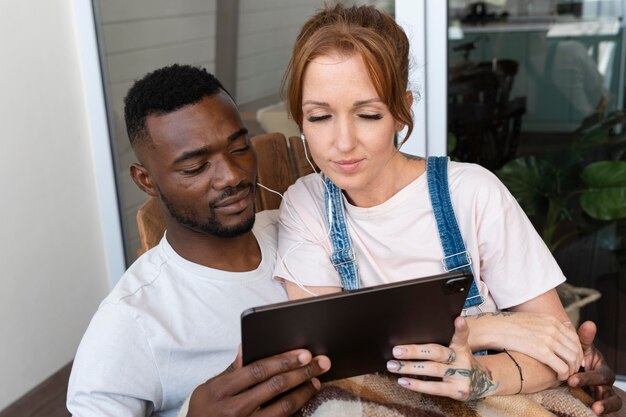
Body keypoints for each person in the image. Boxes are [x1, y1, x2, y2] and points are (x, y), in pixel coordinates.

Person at [274, 2, 622, 413]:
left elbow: (558, 349)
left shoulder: (471, 193)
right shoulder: (306, 203)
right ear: (299, 118)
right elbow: (328, 351)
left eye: (368, 114)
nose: (343, 142)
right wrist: (485, 328)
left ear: (402, 111)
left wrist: (476, 376)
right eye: (319, 117)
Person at [66, 64, 330, 417]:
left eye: (239, 148)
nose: (232, 176)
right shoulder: (132, 323)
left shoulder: (301, 231)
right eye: (195, 167)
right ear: (146, 181)